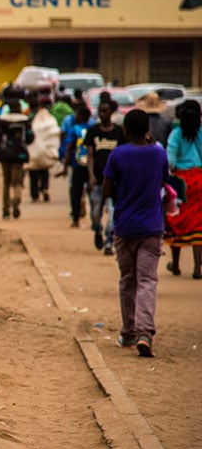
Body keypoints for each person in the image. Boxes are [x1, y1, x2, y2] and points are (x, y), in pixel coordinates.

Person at [102, 109, 167, 357]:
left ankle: (128, 332)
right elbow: (163, 182)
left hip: (125, 226)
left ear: (126, 131)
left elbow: (107, 190)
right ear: (147, 130)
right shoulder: (158, 153)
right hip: (152, 227)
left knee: (128, 279)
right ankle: (145, 333)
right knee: (148, 280)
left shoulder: (118, 154)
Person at [164, 99, 202, 279]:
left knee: (176, 220)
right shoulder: (201, 133)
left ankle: (176, 265)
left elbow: (170, 162)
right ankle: (196, 268)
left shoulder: (176, 134)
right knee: (199, 223)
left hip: (181, 180)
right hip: (199, 179)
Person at [85, 99, 125, 254]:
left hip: (115, 180)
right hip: (97, 178)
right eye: (100, 111)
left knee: (112, 213)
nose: (102, 114)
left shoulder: (118, 132)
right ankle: (97, 229)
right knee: (96, 212)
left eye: (105, 111)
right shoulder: (93, 131)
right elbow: (90, 155)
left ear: (111, 112)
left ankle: (109, 241)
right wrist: (90, 175)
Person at [0, 97, 34, 219]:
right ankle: (16, 203)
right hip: (19, 155)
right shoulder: (25, 121)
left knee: (6, 181)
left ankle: (5, 210)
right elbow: (30, 138)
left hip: (4, 154)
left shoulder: (1, 120)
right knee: (17, 181)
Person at [60, 106, 92, 227]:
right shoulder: (92, 129)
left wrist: (65, 165)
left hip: (77, 165)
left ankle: (75, 217)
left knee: (75, 191)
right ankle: (93, 216)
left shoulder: (74, 130)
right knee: (91, 190)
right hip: (90, 165)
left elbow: (69, 148)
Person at [26, 99, 61, 203]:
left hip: (34, 150)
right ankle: (44, 188)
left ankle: (34, 194)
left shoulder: (30, 117)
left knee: (33, 172)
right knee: (44, 170)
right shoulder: (49, 117)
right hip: (46, 149)